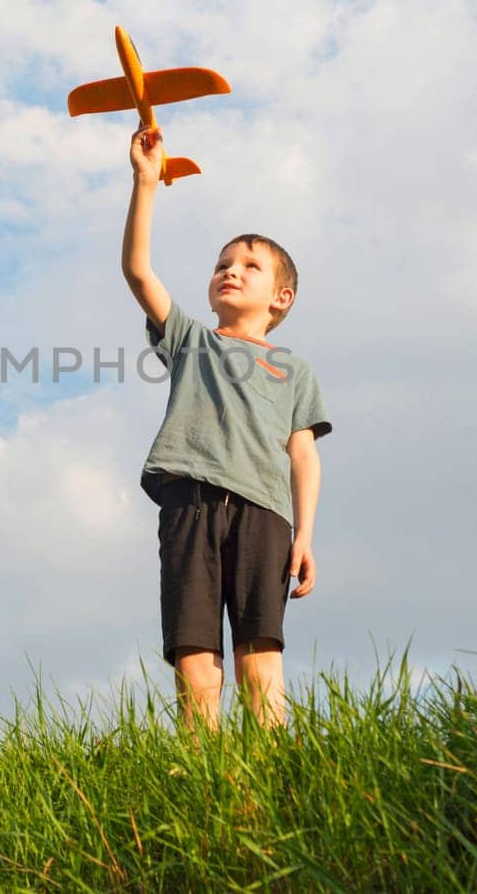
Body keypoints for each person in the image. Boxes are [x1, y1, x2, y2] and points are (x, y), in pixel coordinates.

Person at [121, 124, 332, 730]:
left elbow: (303, 456)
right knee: (196, 660)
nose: (229, 272)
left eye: (249, 265)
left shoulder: (293, 367)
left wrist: (305, 535)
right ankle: (208, 784)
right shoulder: (190, 341)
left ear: (281, 296)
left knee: (260, 658)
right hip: (188, 504)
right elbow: (139, 272)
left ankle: (267, 782)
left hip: (266, 514)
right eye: (221, 265)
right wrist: (145, 183)